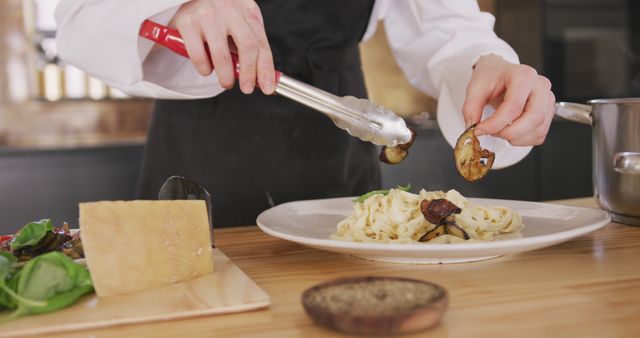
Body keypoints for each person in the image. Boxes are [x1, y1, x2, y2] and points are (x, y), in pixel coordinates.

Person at [55, 0, 555, 227]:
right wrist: (177, 9)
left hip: (341, 162)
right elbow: (78, 16)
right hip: (197, 168)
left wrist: (488, 66)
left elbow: (446, 30)